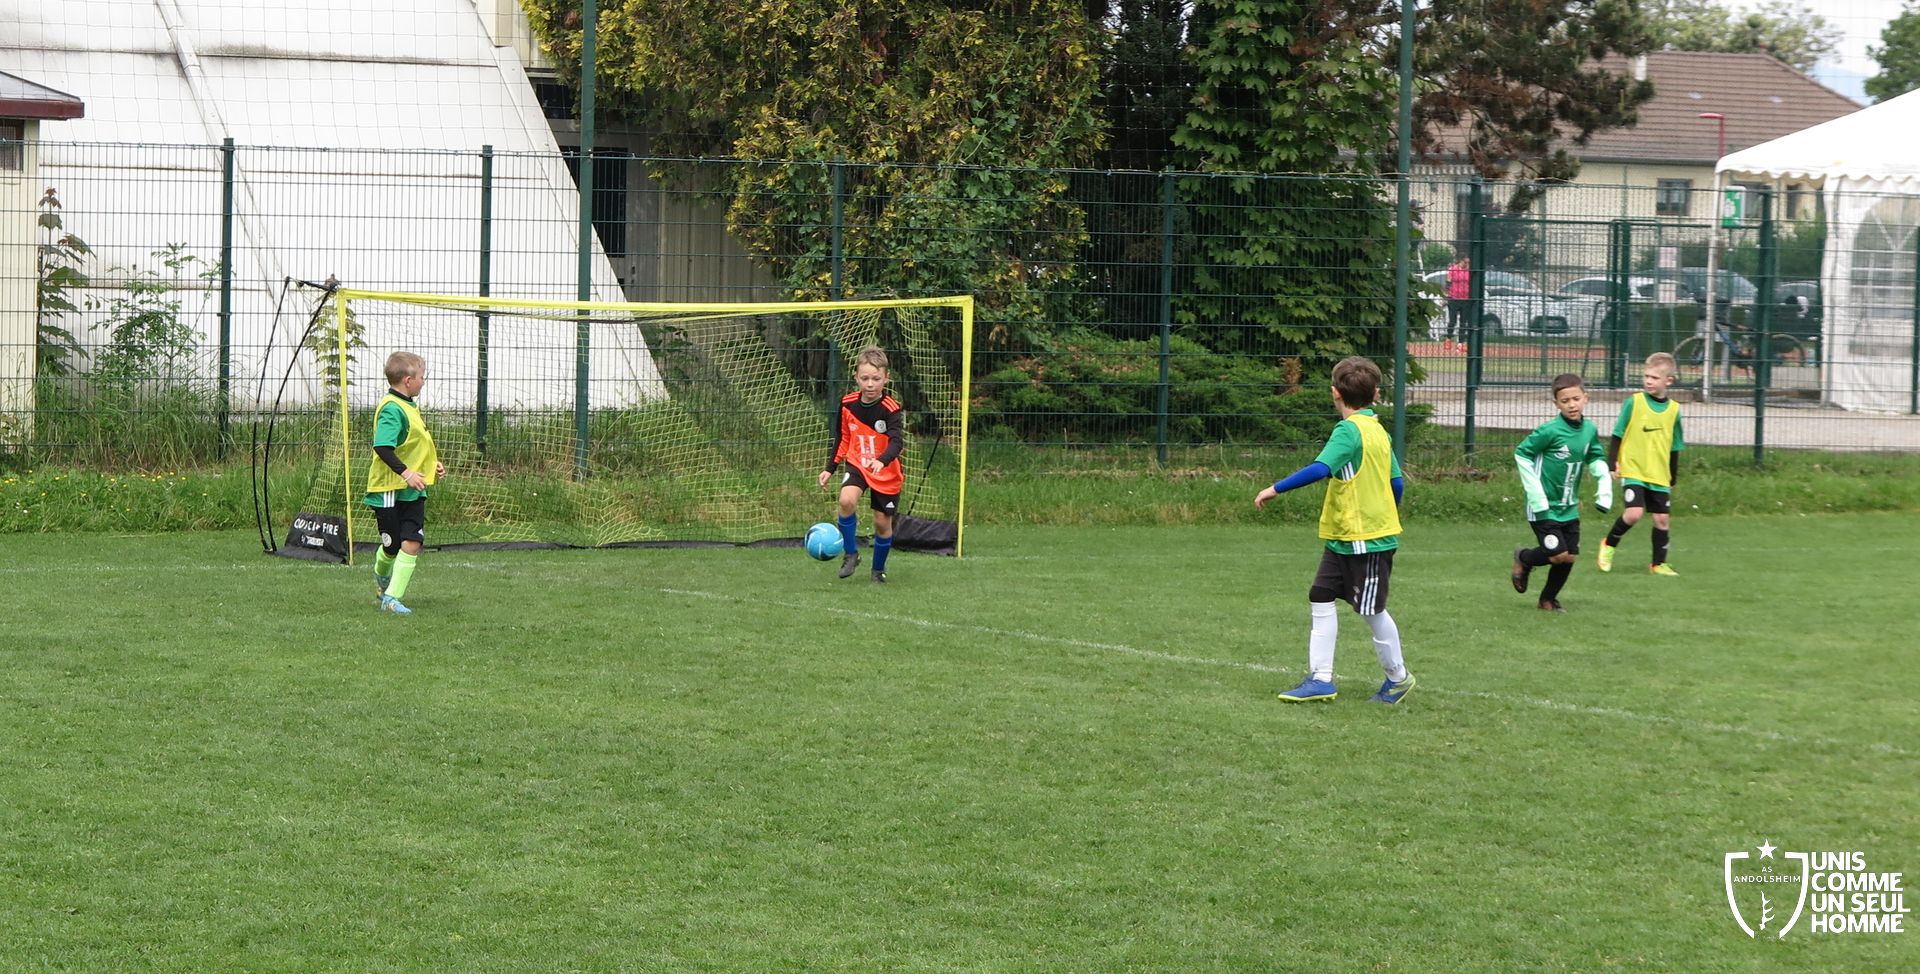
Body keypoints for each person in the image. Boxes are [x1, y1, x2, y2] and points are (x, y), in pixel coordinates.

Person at [1255, 356, 1414, 705]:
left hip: (1366, 538)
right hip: (1344, 537)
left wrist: (1275, 488)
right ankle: (1320, 679)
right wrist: (1388, 508)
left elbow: (1320, 468)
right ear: (1375, 394)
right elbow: (1397, 482)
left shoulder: (1350, 431)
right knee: (1321, 594)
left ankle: (1398, 678)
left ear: (1334, 393)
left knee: (1371, 610)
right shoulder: (1378, 430)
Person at [1510, 374, 1612, 612]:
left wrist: (1604, 485)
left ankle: (1547, 600)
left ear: (1586, 398)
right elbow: (1522, 453)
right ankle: (1524, 558)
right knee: (1557, 554)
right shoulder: (1549, 431)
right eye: (1565, 401)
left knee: (1570, 556)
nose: (1571, 405)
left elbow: (1595, 456)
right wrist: (1536, 495)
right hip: (1543, 507)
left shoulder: (1589, 430)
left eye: (1576, 399)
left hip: (1569, 506)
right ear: (1556, 403)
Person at [364, 351, 444, 614]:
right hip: (390, 489)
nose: (424, 381)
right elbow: (382, 447)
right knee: (392, 546)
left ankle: (391, 598)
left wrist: (432, 465)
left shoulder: (409, 405)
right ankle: (382, 577)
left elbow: (414, 444)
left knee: (413, 541)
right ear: (408, 380)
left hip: (413, 490)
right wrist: (406, 473)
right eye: (422, 377)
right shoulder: (392, 408)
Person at [818, 345, 903, 584]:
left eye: (876, 379)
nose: (870, 384)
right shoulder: (847, 404)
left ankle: (877, 570)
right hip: (858, 464)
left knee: (882, 523)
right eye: (865, 378)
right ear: (856, 377)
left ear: (886, 378)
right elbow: (842, 438)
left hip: (886, 472)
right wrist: (829, 468)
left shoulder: (891, 409)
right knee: (846, 501)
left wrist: (881, 460)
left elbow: (897, 442)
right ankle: (851, 554)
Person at [1596, 352, 1684, 576]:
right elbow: (1618, 433)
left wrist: (1672, 476)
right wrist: (1612, 462)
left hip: (1659, 473)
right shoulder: (1634, 402)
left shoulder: (1674, 410)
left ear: (1668, 381)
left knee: (1662, 519)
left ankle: (1658, 564)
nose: (1648, 381)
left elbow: (1675, 447)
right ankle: (1609, 544)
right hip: (1633, 469)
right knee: (1634, 513)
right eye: (1646, 376)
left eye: (1654, 377)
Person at [1444, 256, 1471, 352]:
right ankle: (1448, 338)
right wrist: (1446, 296)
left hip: (1465, 299)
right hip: (1454, 298)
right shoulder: (1453, 269)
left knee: (1463, 322)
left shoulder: (1469, 271)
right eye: (1465, 262)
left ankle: (1460, 344)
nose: (1467, 265)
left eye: (1468, 263)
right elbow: (1448, 283)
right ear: (1460, 261)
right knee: (1452, 321)